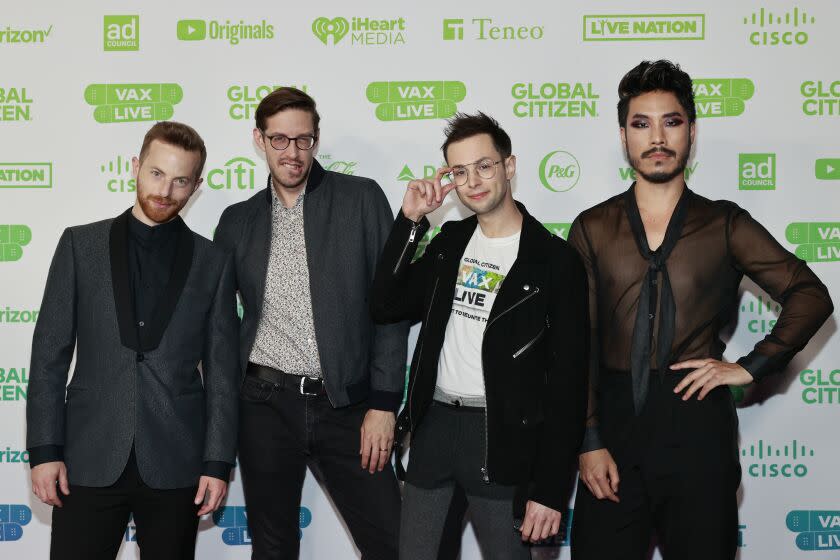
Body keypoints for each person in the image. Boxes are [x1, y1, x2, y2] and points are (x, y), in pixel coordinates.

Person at [568, 60, 834, 560]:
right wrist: (588, 439)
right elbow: (578, 339)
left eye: (671, 121)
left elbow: (810, 295)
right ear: (623, 136)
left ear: (691, 131)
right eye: (641, 124)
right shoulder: (592, 227)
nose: (657, 137)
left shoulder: (724, 223)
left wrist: (749, 365)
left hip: (697, 434)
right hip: (614, 437)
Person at [370, 112, 589, 559]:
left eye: (484, 166)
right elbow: (385, 305)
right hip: (434, 430)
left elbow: (568, 386)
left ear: (509, 166)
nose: (473, 181)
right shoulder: (449, 240)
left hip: (503, 437)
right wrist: (411, 221)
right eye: (459, 171)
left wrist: (549, 490)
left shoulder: (554, 261)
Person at [27, 121, 239, 560]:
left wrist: (217, 464)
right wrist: (45, 450)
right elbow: (49, 355)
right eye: (157, 173)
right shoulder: (79, 245)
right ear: (136, 167)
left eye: (181, 180)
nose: (166, 190)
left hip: (176, 458)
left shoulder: (213, 262)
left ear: (196, 186)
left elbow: (222, 372)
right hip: (87, 454)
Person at [213, 87, 406, 559]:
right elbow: (218, 329)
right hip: (263, 405)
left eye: (303, 140)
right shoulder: (236, 222)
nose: (292, 152)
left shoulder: (361, 199)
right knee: (274, 547)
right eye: (279, 140)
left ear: (316, 141)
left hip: (347, 407)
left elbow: (391, 309)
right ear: (259, 140)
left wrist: (383, 404)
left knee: (395, 542)